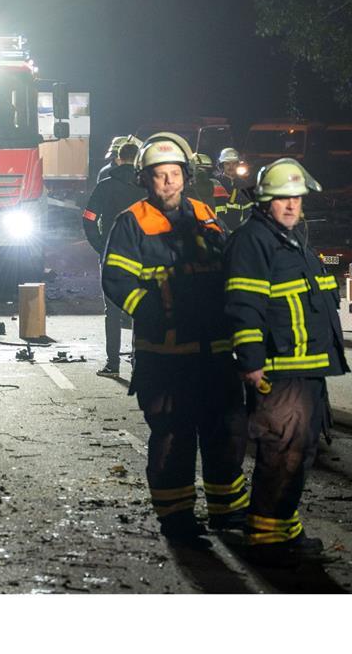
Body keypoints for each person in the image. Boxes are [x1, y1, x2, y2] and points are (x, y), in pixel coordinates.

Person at [101, 132, 249, 542]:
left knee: (226, 431)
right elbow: (115, 280)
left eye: (174, 174)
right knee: (173, 437)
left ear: (186, 176)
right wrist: (153, 312)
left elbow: (227, 266)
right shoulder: (131, 222)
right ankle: (177, 518)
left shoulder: (205, 214)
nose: (168, 182)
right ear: (144, 179)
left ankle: (228, 511)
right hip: (164, 356)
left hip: (214, 352)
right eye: (159, 175)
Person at [223, 157, 349, 566]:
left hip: (305, 365)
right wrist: (252, 361)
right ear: (265, 201)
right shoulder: (254, 240)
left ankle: (280, 529)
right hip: (280, 368)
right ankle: (267, 538)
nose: (292, 205)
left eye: (296, 197)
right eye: (282, 198)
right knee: (282, 451)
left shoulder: (289, 238)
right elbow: (244, 302)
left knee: (298, 451)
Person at [82, 138, 144, 376]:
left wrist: (100, 246)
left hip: (112, 256)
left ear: (118, 159)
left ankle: (113, 365)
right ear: (138, 160)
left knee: (113, 312)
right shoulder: (149, 187)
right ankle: (138, 362)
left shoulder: (105, 186)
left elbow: (89, 218)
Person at [213, 147, 255, 232]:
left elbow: (249, 209)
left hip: (238, 229)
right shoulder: (215, 182)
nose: (231, 167)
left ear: (238, 165)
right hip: (219, 229)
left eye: (234, 164)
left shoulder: (244, 184)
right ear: (222, 165)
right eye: (227, 164)